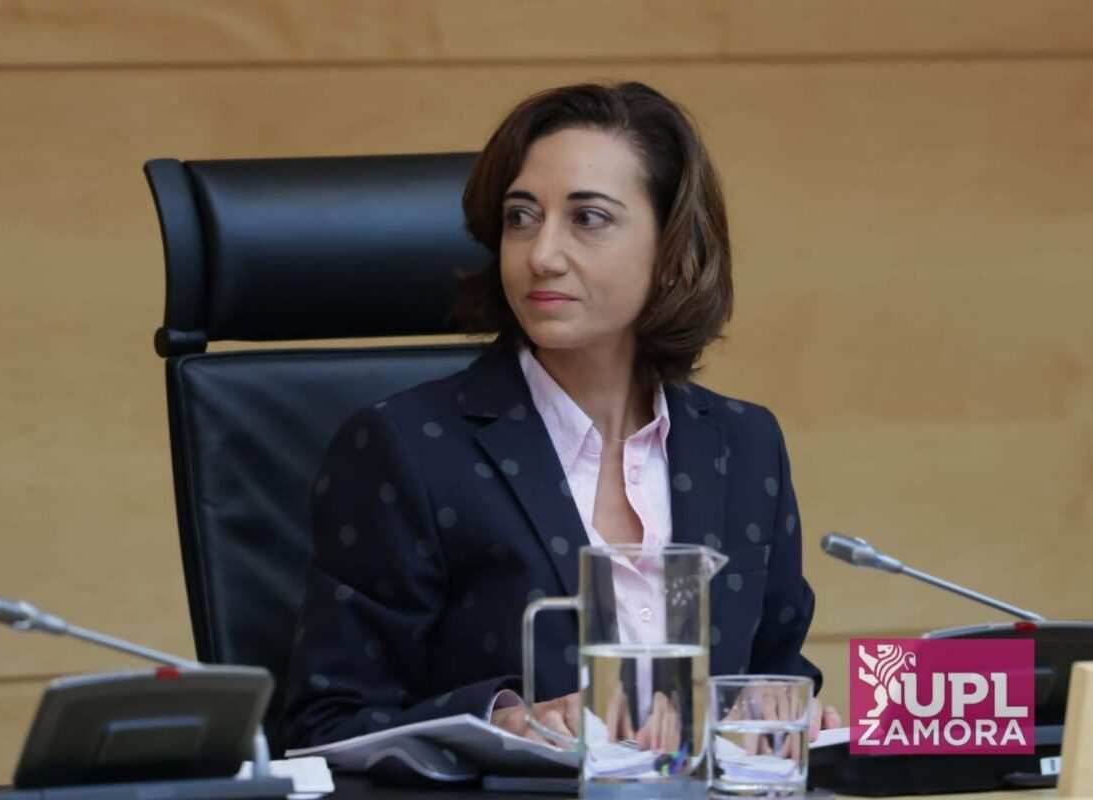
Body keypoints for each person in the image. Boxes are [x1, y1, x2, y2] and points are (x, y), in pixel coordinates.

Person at [281, 81, 841, 752]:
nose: (541, 254)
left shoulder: (745, 444)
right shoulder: (406, 448)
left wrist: (786, 711)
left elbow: (775, 670)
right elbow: (326, 723)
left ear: (673, 249)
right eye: (520, 217)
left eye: (588, 218)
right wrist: (502, 722)